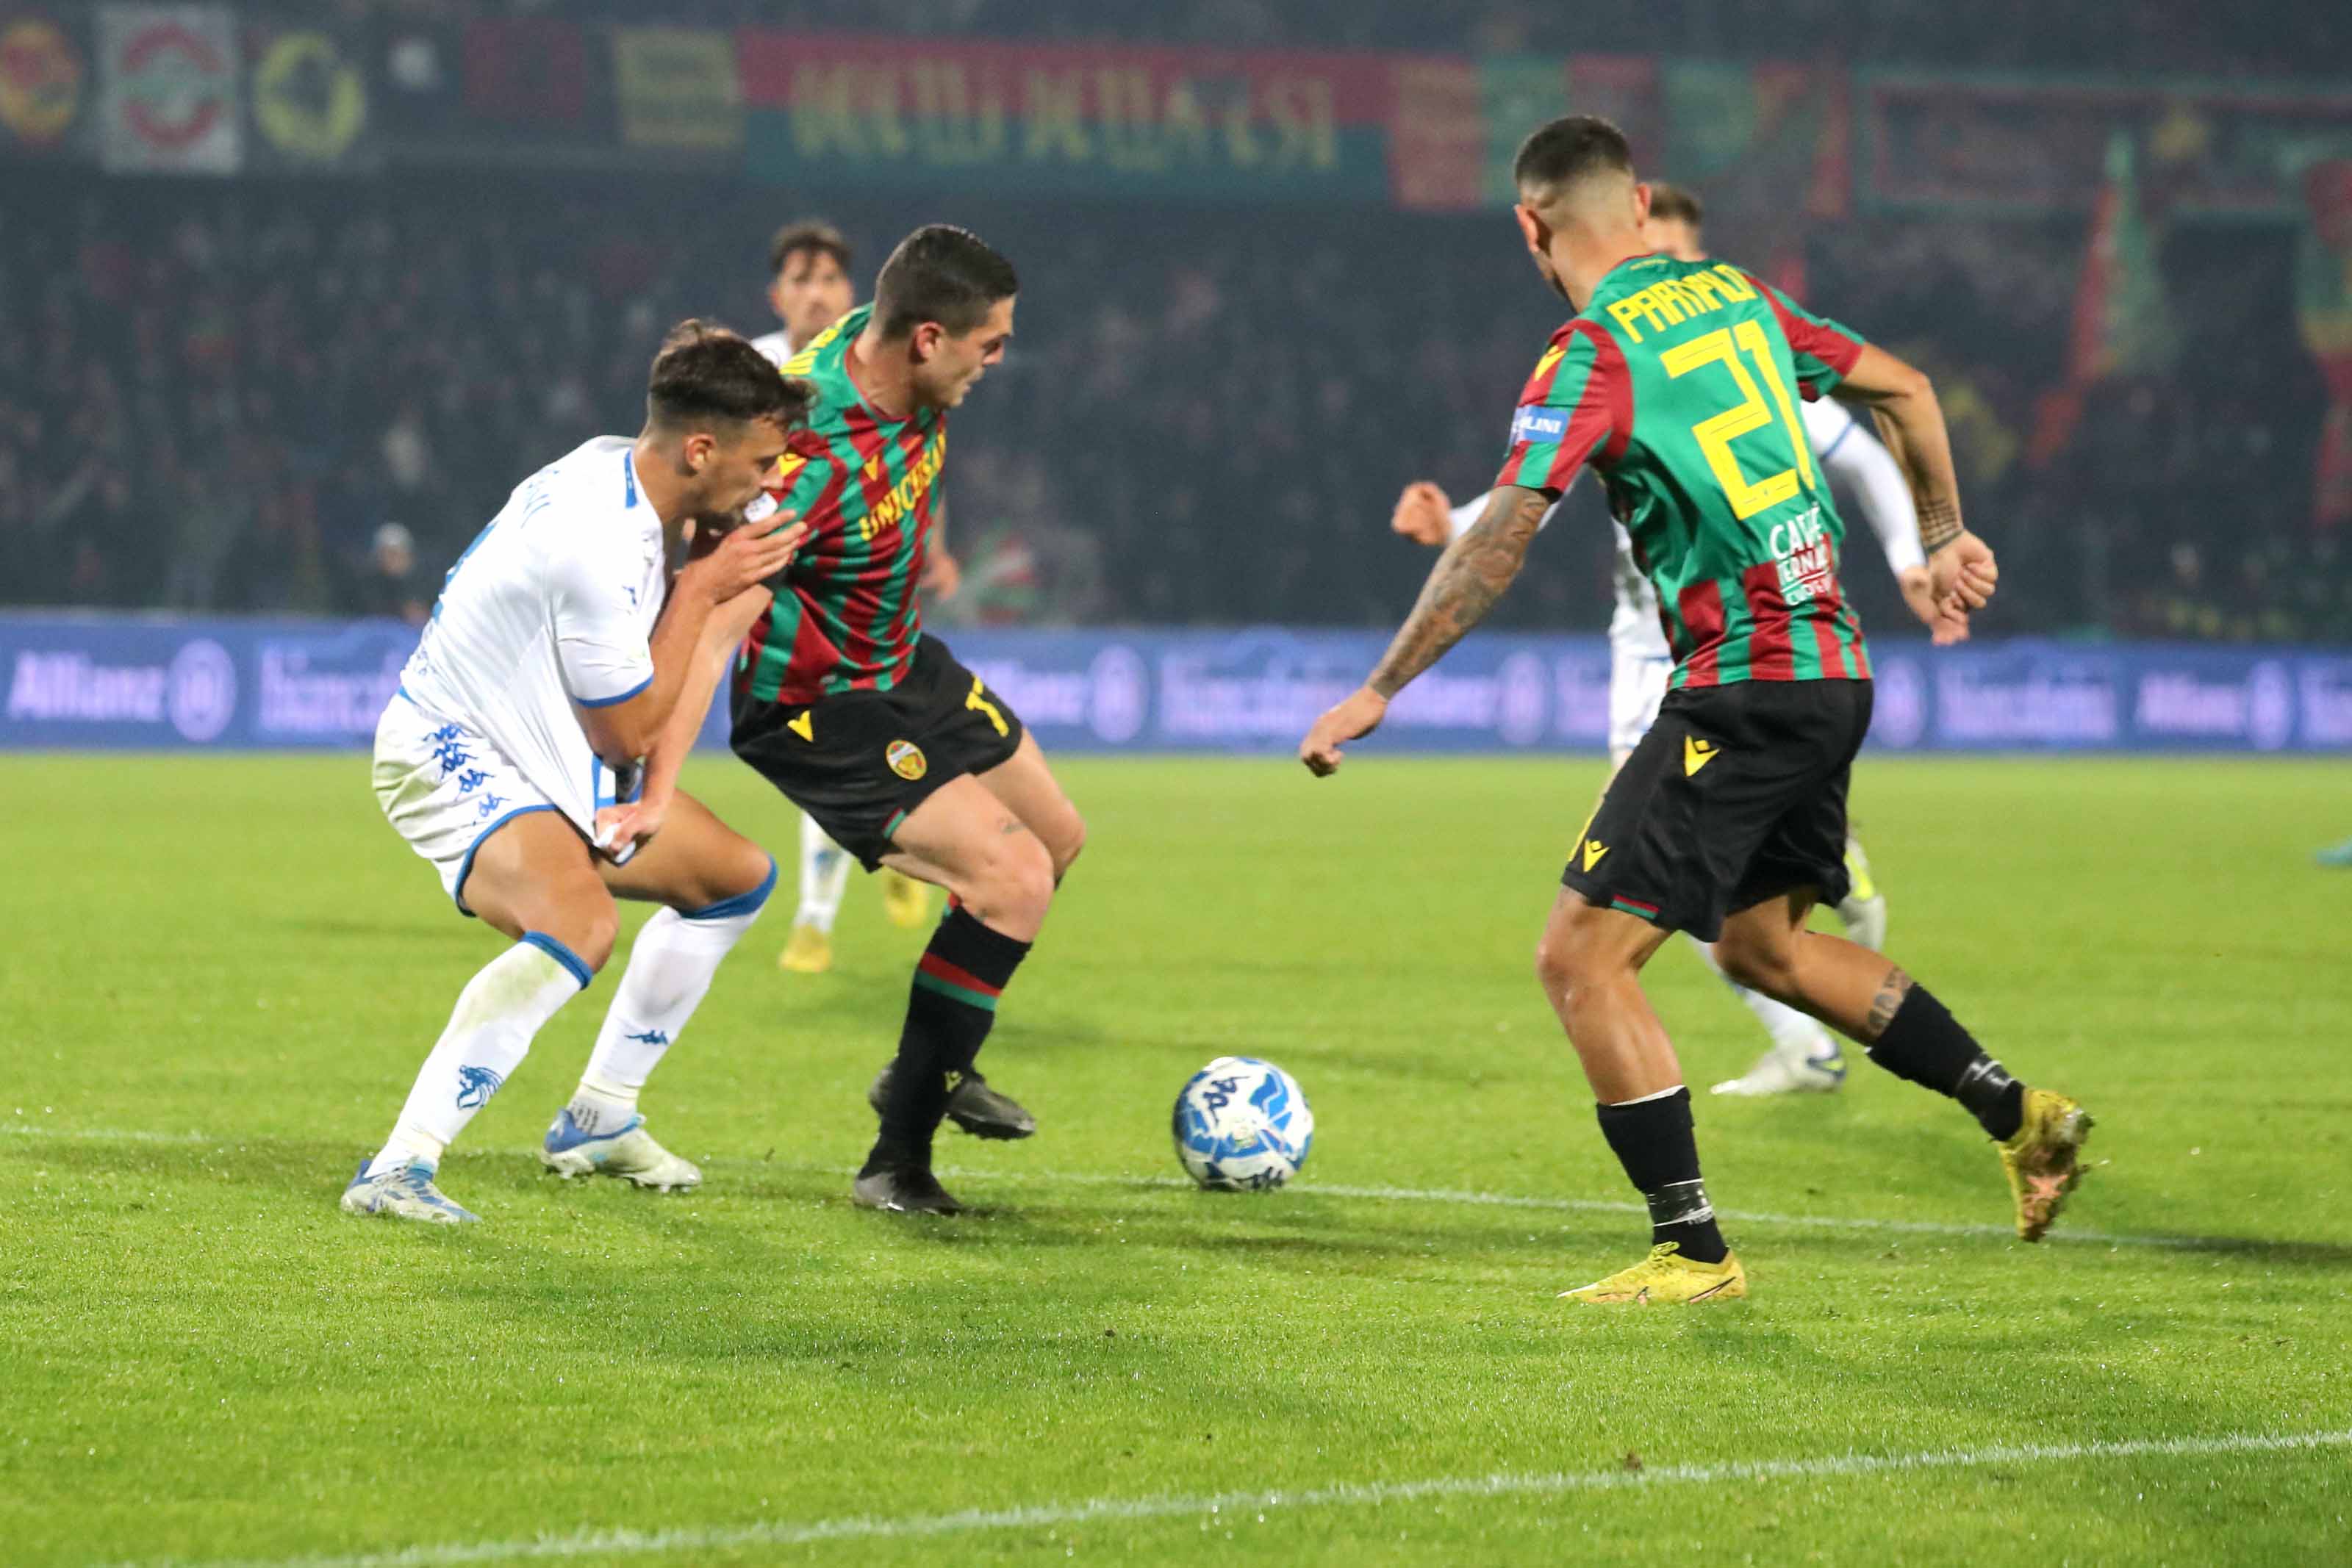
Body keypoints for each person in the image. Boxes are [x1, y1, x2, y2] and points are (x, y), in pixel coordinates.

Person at [1302, 117, 2090, 1303]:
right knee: (1762, 947)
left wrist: (1380, 685)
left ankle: (1694, 1248)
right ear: (1637, 207)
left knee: (1579, 959)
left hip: (1747, 684)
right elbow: (1908, 390)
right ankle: (2022, 1114)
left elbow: (1505, 536)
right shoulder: (1737, 297)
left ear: (1531, 227)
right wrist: (1941, 534)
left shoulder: (1590, 353)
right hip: (1832, 671)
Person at [1389, 183, 1946, 1098]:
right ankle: (1815, 993)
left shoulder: (1730, 349)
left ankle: (1810, 1003)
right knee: (1670, 873)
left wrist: (1908, 554)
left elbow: (1860, 449)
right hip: (1656, 647)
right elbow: (1533, 493)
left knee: (1641, 878)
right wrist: (1449, 522)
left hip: (1727, 650)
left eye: (1683, 260)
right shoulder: (1635, 359)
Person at [343, 322, 810, 1223]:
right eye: (759, 464)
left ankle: (599, 1116)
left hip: (551, 754)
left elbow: (694, 651)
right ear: (700, 451)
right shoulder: (591, 544)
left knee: (734, 879)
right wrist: (700, 587)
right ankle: (399, 1166)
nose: (766, 485)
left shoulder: (630, 471)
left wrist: (659, 794)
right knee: (579, 923)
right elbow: (628, 731)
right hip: (451, 747)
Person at [724, 225, 1078, 1212]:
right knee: (1011, 877)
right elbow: (714, 589)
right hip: (814, 703)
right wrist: (642, 748)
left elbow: (915, 471)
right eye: (989, 343)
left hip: (897, 657)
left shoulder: (893, 364)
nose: (996, 361)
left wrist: (930, 550)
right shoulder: (801, 447)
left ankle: (927, 1061)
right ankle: (897, 1157)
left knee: (1055, 838)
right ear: (927, 338)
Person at [750, 220, 961, 971]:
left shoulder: (875, 361)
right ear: (777, 296)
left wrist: (933, 546)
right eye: (801, 280)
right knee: (840, 738)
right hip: (788, 582)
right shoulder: (756, 370)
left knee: (854, 734)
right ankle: (877, 856)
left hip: (868, 576)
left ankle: (835, 901)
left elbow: (916, 453)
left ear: (851, 291)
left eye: (830, 280)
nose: (816, 293)